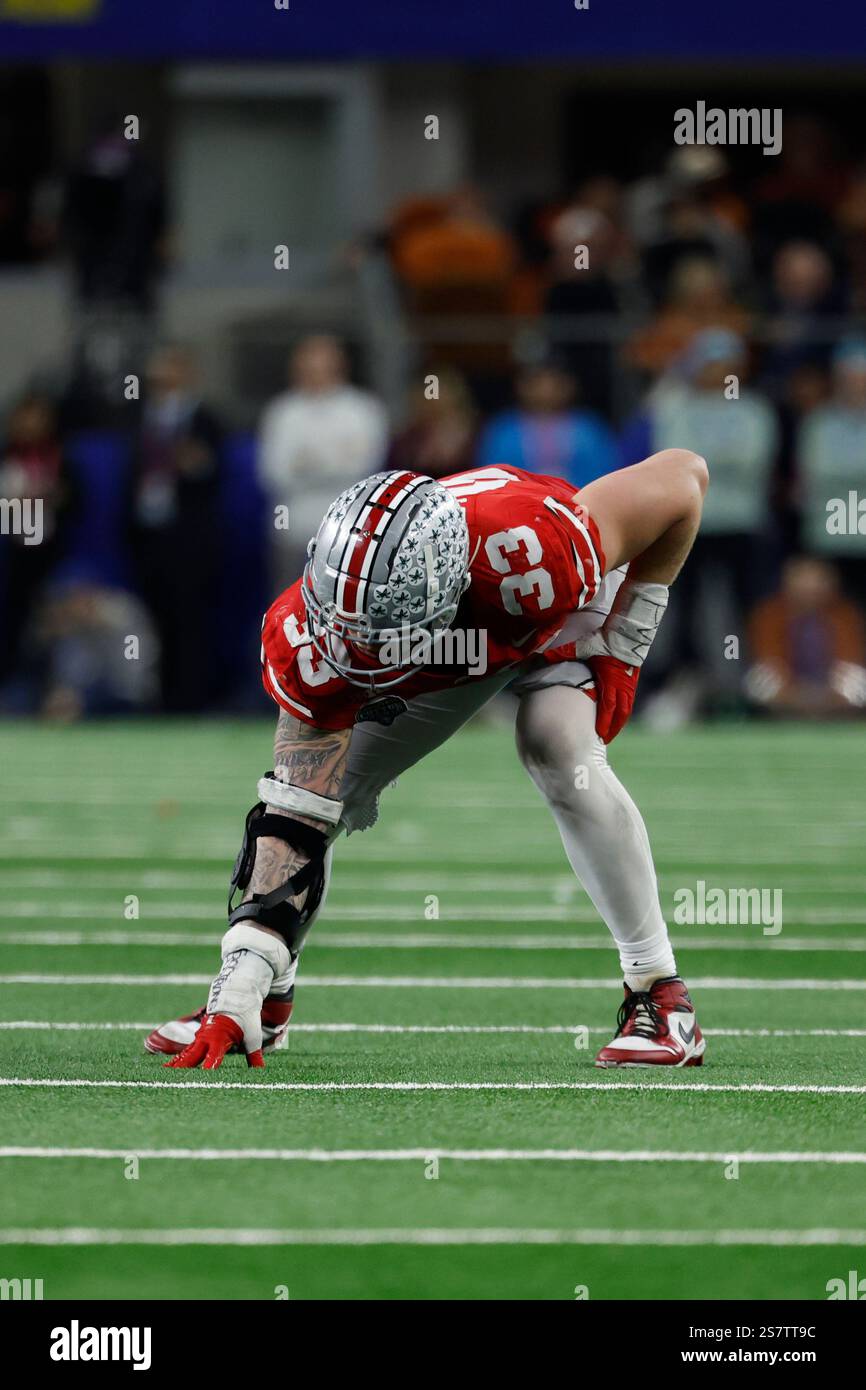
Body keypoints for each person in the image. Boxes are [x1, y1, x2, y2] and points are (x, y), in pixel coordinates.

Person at [145, 447, 711, 1071]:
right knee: (322, 799)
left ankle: (659, 993)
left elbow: (684, 477)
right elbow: (294, 817)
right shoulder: (309, 633)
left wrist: (626, 641)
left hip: (546, 619)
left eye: (376, 632)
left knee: (557, 745)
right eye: (344, 626)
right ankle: (266, 1000)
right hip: (449, 648)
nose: (352, 647)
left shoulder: (534, 554)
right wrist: (244, 974)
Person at [127, 343, 223, 713]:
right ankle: (162, 699)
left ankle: (193, 700)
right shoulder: (143, 419)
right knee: (156, 619)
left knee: (191, 619)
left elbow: (213, 472)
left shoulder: (205, 420)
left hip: (190, 538)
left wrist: (193, 463)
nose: (162, 385)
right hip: (151, 535)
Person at [257, 335, 388, 589]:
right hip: (293, 532)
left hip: (348, 535)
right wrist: (334, 461)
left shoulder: (363, 410)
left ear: (339, 367)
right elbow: (273, 474)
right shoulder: (282, 412)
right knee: (289, 612)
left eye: (322, 368)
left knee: (345, 611)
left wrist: (307, 464)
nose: (314, 375)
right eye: (307, 368)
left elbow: (365, 469)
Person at [745, 556, 866, 719]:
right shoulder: (770, 613)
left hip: (830, 686)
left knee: (858, 682)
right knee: (758, 681)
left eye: (817, 581)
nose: (810, 589)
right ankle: (778, 719)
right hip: (790, 684)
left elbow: (850, 659)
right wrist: (795, 694)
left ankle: (840, 720)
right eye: (803, 582)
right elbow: (769, 658)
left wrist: (826, 695)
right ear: (788, 583)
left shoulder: (845, 613)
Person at [797, 338, 866, 610]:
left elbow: (829, 473)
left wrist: (840, 473)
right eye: (851, 378)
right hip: (828, 532)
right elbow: (816, 472)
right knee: (830, 612)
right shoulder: (818, 422)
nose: (857, 385)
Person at [477, 359, 620, 487]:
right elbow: (490, 477)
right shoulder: (503, 429)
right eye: (537, 382)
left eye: (555, 382)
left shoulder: (589, 427)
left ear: (570, 385)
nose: (546, 390)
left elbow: (607, 473)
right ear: (520, 385)